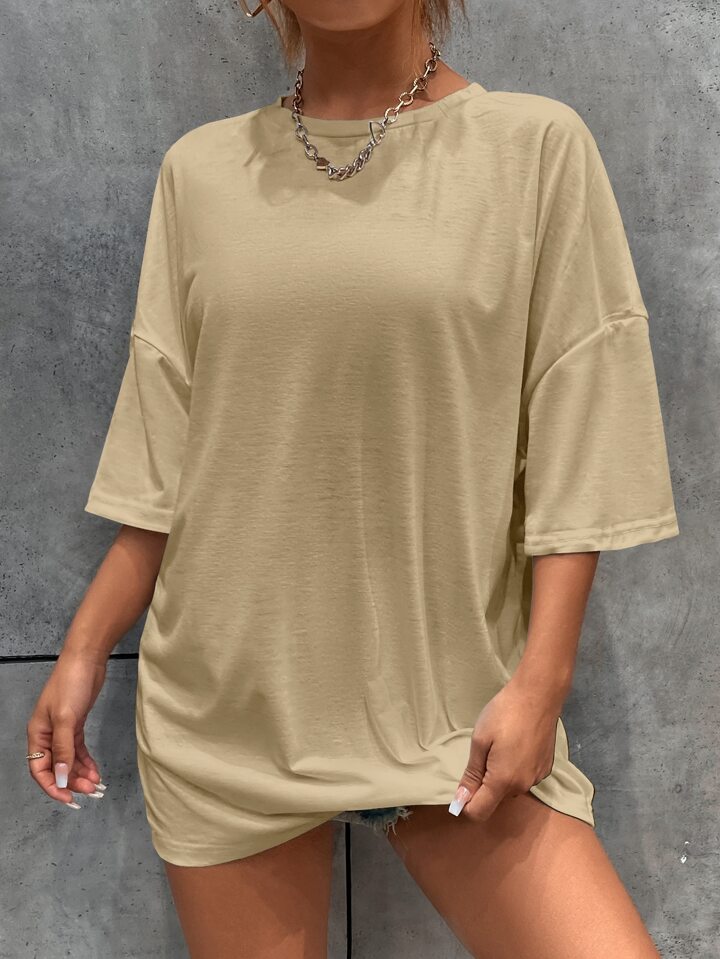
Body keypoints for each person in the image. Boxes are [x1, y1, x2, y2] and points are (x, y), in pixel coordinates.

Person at [26, 1, 681, 956]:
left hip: (454, 712)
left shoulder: (536, 149)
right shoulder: (199, 173)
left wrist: (543, 682)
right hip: (227, 717)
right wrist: (84, 650)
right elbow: (164, 457)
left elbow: (582, 435)